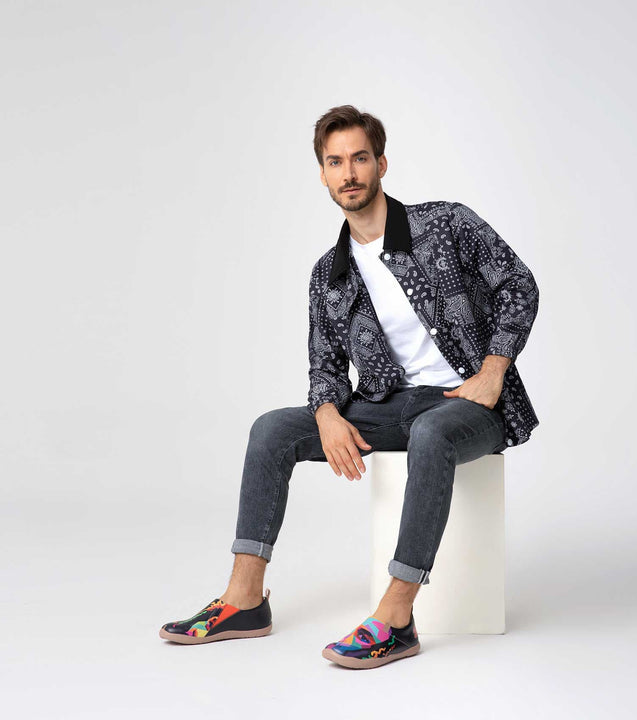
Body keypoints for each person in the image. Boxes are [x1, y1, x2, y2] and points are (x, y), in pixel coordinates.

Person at [159, 104, 540, 669]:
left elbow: (518, 285)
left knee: (432, 433)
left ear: (381, 163)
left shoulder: (447, 225)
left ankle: (396, 617)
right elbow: (326, 365)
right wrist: (326, 413)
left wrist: (492, 371)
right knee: (271, 429)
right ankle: (244, 601)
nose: (349, 173)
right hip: (384, 407)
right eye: (335, 162)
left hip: (465, 405)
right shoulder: (328, 273)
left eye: (359, 158)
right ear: (323, 174)